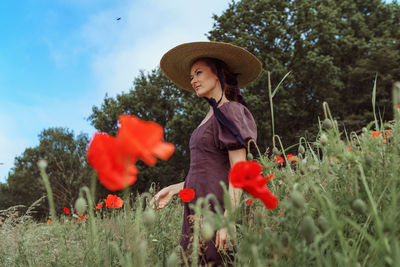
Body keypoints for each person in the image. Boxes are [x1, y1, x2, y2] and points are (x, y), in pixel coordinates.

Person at [150, 41, 262, 266]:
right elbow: (206, 169)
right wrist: (173, 189)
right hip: (195, 210)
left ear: (219, 74)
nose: (193, 80)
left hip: (217, 209)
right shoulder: (209, 117)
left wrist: (228, 220)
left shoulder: (230, 110)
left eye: (198, 73)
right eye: (191, 76)